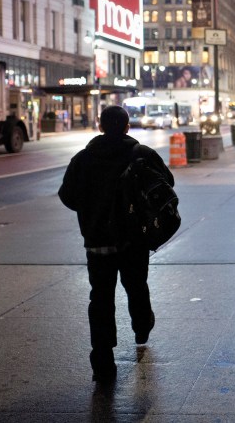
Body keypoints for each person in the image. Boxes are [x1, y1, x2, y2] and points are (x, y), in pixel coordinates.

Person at [58, 105, 173, 383]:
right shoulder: (142, 154)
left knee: (100, 298)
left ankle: (102, 360)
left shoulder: (83, 159)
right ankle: (142, 325)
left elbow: (67, 195)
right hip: (134, 239)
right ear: (127, 127)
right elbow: (167, 182)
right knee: (136, 285)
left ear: (99, 126)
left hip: (97, 241)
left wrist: (92, 211)